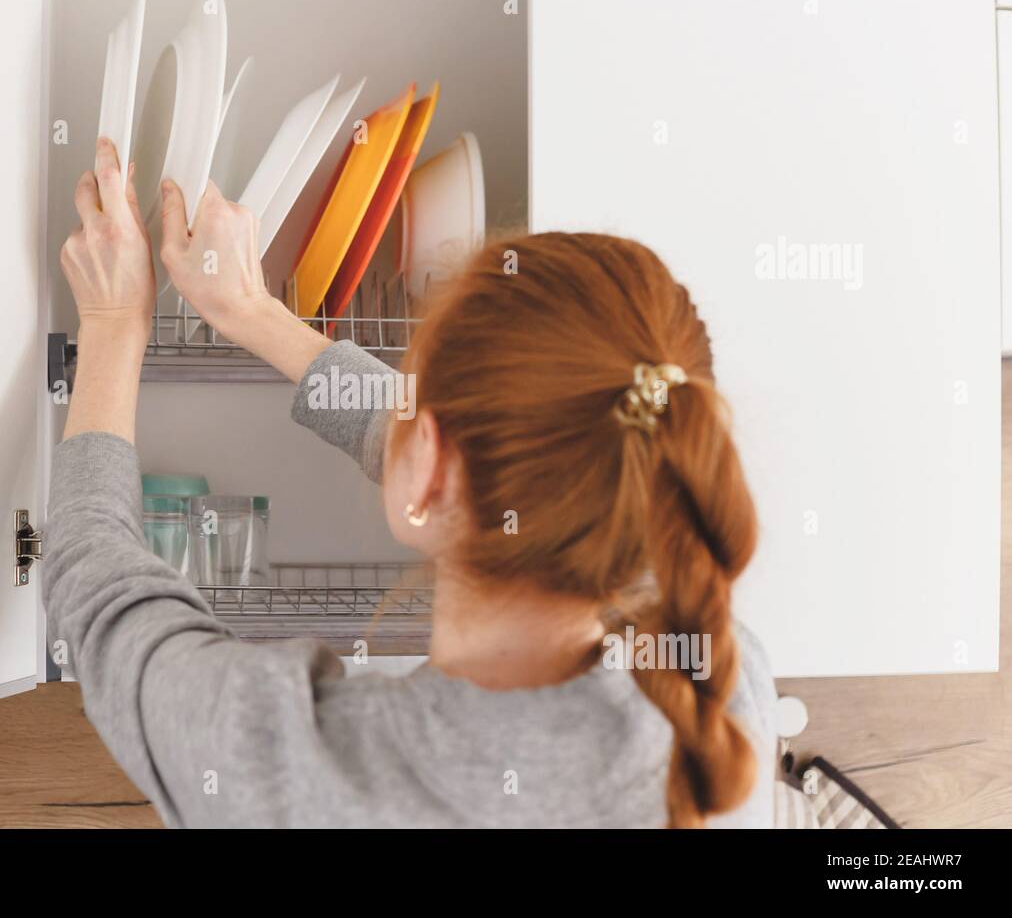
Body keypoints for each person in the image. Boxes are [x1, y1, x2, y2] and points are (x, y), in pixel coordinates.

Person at [45, 137, 776, 828]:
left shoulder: (283, 760)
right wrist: (256, 315)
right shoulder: (718, 711)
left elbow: (101, 587)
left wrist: (112, 322)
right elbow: (467, 461)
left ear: (426, 457)